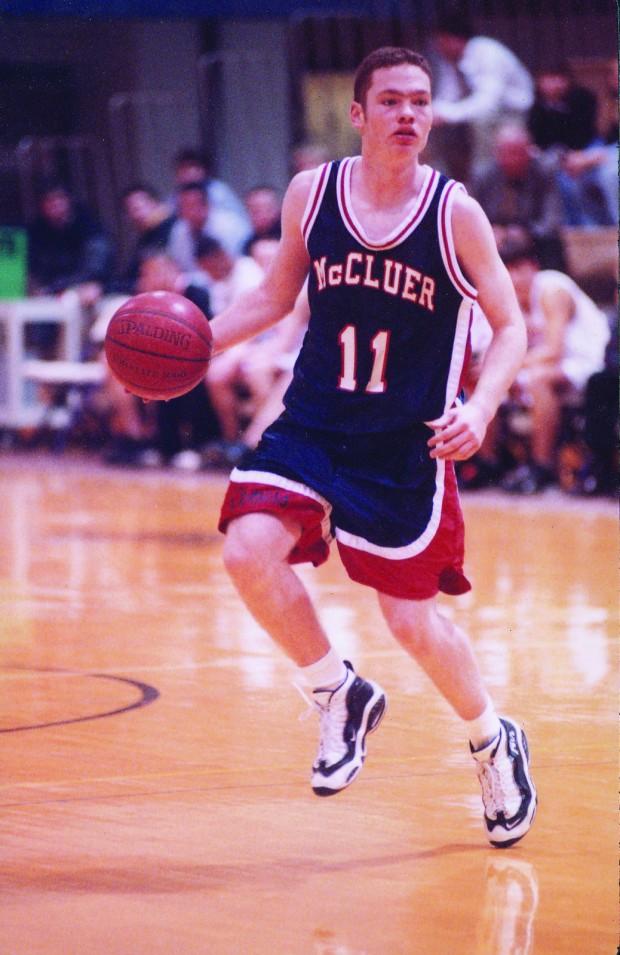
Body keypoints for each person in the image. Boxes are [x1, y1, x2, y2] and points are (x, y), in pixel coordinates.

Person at [208, 46, 536, 848]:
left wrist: (484, 404)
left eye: (420, 102)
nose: (409, 116)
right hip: (317, 418)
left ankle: (494, 739)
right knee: (248, 551)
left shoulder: (454, 212)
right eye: (390, 102)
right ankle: (337, 691)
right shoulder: (310, 194)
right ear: (357, 115)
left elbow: (511, 325)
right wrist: (197, 347)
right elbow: (276, 295)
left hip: (404, 440)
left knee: (412, 622)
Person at [496, 238, 611, 494]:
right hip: (554, 366)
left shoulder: (552, 289)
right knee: (489, 377)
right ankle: (490, 464)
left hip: (592, 362)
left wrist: (509, 367)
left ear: (534, 267)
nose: (514, 277)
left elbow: (554, 351)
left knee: (537, 380)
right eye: (508, 270)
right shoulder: (510, 297)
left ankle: (542, 466)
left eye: (519, 268)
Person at [430, 13, 534, 178]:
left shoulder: (488, 52)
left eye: (441, 42)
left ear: (455, 39)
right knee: (431, 124)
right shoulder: (450, 60)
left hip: (511, 115)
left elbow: (487, 103)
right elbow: (447, 96)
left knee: (481, 120)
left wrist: (447, 114)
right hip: (475, 114)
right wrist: (431, 113)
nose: (438, 47)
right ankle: (442, 180)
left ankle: (482, 178)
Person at [27, 179, 114, 356]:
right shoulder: (38, 230)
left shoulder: (88, 227)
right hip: (49, 293)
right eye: (49, 201)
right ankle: (47, 365)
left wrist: (60, 287)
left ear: (68, 201)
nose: (54, 205)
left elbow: (94, 267)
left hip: (85, 289)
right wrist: (38, 287)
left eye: (58, 199)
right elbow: (33, 267)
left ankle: (68, 365)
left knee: (75, 306)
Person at [528, 65, 618, 227]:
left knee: (610, 174)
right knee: (566, 180)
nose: (554, 84)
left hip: (590, 151)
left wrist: (585, 157)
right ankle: (585, 230)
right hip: (572, 156)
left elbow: (587, 136)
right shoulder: (536, 106)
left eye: (558, 79)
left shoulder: (582, 99)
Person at [469, 122, 566, 270]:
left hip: (534, 242)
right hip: (494, 242)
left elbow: (551, 220)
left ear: (529, 152)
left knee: (552, 243)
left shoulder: (543, 173)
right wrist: (489, 232)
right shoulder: (483, 176)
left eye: (518, 153)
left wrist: (527, 233)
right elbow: (471, 218)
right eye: (508, 153)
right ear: (497, 153)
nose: (513, 159)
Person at [167, 182, 251, 275]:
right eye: (185, 206)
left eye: (194, 205)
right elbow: (180, 267)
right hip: (195, 283)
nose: (190, 211)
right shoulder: (178, 230)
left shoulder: (230, 225)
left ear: (207, 205)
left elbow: (232, 265)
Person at [115, 183, 177, 294]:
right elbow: (131, 276)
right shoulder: (145, 237)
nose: (136, 215)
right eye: (131, 211)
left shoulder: (176, 228)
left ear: (155, 203)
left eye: (138, 208)